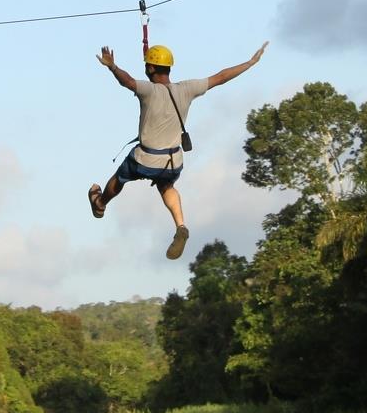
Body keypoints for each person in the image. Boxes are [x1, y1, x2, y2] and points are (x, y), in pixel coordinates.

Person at [89, 40, 267, 259]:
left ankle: (100, 203)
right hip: (173, 161)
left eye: (147, 65)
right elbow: (220, 77)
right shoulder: (187, 89)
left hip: (146, 158)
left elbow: (127, 82)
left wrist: (112, 67)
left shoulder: (148, 91)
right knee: (166, 185)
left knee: (121, 176)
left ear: (151, 68)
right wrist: (249, 63)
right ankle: (180, 225)